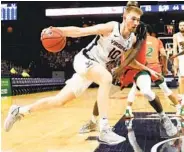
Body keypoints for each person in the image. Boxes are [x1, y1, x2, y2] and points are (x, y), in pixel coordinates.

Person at [4, 1, 146, 145]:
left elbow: (130, 61)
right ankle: (104, 130)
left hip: (93, 69)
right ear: (124, 17)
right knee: (106, 79)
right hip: (85, 60)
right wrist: (56, 30)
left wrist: (148, 69)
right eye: (133, 18)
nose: (135, 23)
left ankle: (19, 111)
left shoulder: (131, 40)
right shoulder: (111, 27)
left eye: (138, 20)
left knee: (59, 101)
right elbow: (80, 31)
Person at [79, 25, 178, 137]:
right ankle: (93, 122)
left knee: (146, 91)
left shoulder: (140, 37)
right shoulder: (120, 35)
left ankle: (164, 118)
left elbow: (132, 61)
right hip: (124, 71)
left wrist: (146, 69)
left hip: (139, 69)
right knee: (103, 94)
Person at [123, 25, 184, 118]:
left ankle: (128, 109)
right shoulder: (157, 40)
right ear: (151, 33)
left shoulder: (136, 40)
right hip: (155, 68)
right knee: (165, 89)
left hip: (142, 68)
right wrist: (164, 68)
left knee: (134, 87)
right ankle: (179, 108)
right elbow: (163, 55)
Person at [173, 20, 184, 96]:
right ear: (178, 26)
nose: (182, 26)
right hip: (181, 58)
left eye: (183, 25)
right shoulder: (176, 35)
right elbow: (174, 49)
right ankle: (182, 97)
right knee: (182, 78)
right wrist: (175, 61)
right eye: (180, 25)